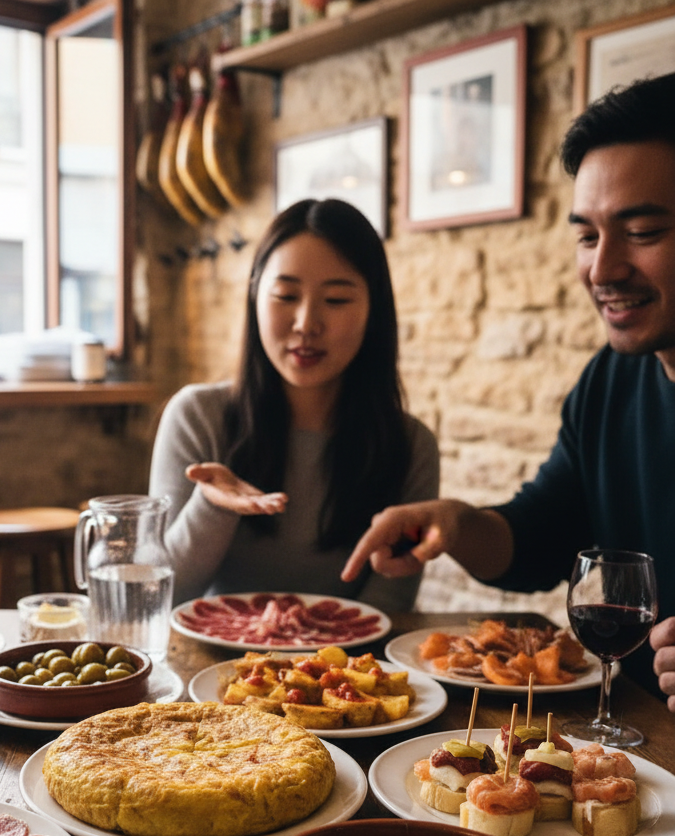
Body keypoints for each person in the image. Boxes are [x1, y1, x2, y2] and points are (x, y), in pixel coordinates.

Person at [341, 71, 675, 703]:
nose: (601, 268)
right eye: (586, 235)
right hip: (637, 746)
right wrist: (455, 524)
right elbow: (544, 537)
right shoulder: (611, 378)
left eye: (642, 233)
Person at [149, 198, 439, 609]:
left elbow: (388, 606)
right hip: (212, 666)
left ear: (374, 311)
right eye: (286, 295)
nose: (306, 323)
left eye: (336, 300)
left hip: (347, 669)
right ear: (254, 297)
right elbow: (162, 594)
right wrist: (213, 508)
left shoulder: (411, 445)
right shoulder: (197, 416)